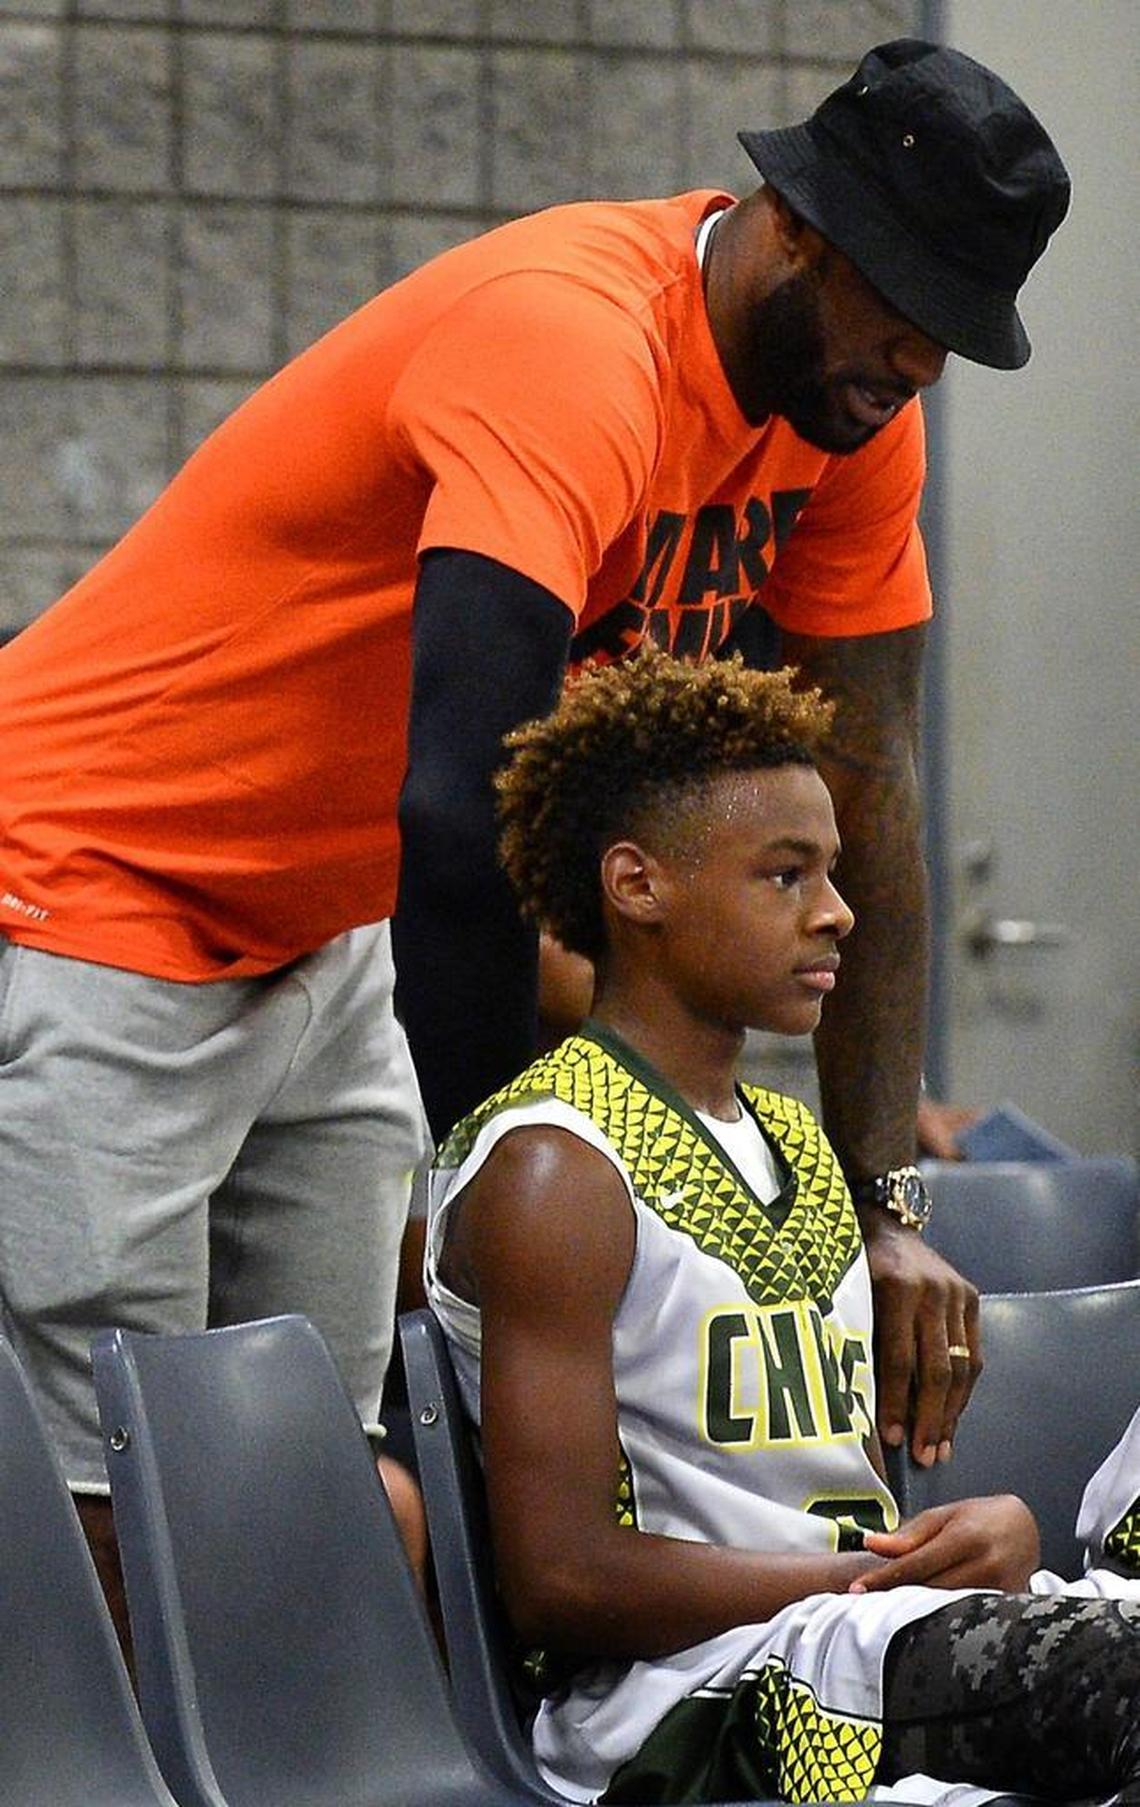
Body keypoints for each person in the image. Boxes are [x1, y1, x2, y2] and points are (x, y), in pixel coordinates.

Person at [0, 40, 1068, 1602]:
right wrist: (508, 1172)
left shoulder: (846, 417)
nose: (913, 370)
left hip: (323, 920)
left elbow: (869, 780)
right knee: (109, 1502)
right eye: (898, 316)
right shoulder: (574, 343)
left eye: (946, 344)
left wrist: (877, 1205)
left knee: (309, 1481)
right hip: (95, 879)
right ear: (797, 228)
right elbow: (462, 804)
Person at [425, 650, 1140, 1806]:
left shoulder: (798, 1144)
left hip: (855, 1650)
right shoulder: (555, 1165)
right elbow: (558, 1578)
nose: (838, 911)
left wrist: (971, 1540)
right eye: (785, 874)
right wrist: (866, 1578)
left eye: (834, 871)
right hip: (685, 1707)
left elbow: (842, 1505)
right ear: (637, 885)